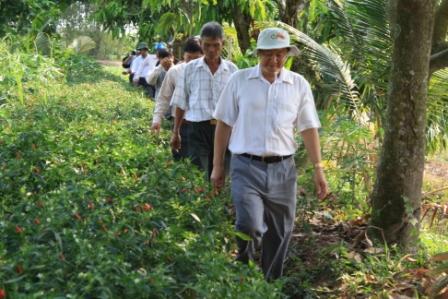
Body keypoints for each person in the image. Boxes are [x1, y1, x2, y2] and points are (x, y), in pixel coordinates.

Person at [211, 27, 329, 280]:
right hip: (245, 165)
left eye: (280, 54)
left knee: (280, 230)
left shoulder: (298, 85)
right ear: (259, 53)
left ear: (287, 54)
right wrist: (218, 167)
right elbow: (223, 124)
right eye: (268, 54)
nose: (274, 60)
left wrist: (319, 169)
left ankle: (269, 284)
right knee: (249, 225)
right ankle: (243, 276)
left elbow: (308, 128)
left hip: (283, 170)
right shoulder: (240, 80)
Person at [171, 22, 238, 177]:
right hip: (197, 129)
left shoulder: (233, 71)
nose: (211, 50)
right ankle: (203, 201)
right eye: (207, 45)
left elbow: (238, 105)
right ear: (200, 43)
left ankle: (217, 200)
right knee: (199, 174)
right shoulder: (189, 69)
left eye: (216, 45)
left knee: (221, 174)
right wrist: (176, 132)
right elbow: (181, 102)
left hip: (225, 129)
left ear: (223, 43)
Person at [151, 37, 203, 161]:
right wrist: (157, 119)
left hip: (203, 127)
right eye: (188, 58)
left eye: (196, 59)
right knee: (181, 161)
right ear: (183, 55)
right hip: (182, 125)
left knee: (200, 167)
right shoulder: (175, 72)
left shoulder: (210, 72)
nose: (191, 62)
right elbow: (164, 97)